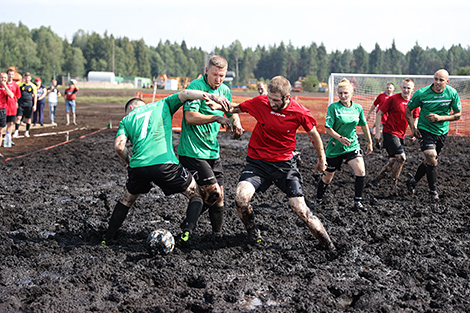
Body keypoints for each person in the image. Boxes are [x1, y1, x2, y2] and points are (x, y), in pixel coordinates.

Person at [209, 76, 335, 253]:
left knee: (299, 208)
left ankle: (329, 245)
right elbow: (236, 107)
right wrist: (218, 105)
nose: (271, 102)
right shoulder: (261, 102)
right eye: (269, 98)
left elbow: (314, 135)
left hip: (284, 165)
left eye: (275, 100)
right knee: (240, 198)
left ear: (287, 97)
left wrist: (322, 159)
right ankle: (253, 232)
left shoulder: (299, 112)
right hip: (258, 163)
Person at [102, 89, 229, 244]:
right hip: (164, 164)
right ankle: (187, 233)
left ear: (130, 108)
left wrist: (129, 162)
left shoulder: (126, 120)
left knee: (127, 199)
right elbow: (185, 93)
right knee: (195, 194)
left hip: (138, 167)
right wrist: (211, 96)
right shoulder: (161, 104)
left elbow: (119, 147)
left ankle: (107, 237)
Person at [177, 55, 243, 242]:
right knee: (213, 192)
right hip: (192, 151)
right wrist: (216, 117)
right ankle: (188, 229)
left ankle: (216, 235)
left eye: (221, 75)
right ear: (207, 71)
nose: (218, 79)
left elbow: (231, 112)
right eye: (215, 74)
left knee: (219, 197)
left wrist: (236, 123)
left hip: (212, 151)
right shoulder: (195, 88)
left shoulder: (225, 91)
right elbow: (189, 117)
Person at [314, 78, 373, 211]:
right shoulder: (333, 108)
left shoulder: (357, 108)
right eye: (340, 93)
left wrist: (370, 142)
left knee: (361, 170)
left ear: (352, 93)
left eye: (346, 93)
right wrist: (340, 138)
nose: (343, 96)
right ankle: (318, 199)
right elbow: (327, 129)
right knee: (328, 178)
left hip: (352, 145)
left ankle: (357, 202)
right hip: (335, 147)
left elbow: (363, 125)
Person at [405, 69, 462, 201]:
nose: (437, 82)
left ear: (447, 81)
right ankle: (433, 192)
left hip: (442, 132)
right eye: (435, 79)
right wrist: (413, 128)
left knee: (430, 161)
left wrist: (440, 118)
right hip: (425, 129)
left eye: (441, 80)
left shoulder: (452, 93)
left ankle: (413, 181)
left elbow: (458, 115)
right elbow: (408, 110)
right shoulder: (422, 93)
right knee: (431, 156)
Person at [368, 79, 418, 187]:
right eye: (404, 87)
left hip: (401, 135)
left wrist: (414, 131)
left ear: (413, 89)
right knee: (401, 158)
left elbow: (415, 117)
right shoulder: (393, 99)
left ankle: (375, 181)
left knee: (392, 162)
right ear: (400, 87)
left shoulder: (414, 102)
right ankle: (393, 184)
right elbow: (379, 113)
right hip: (389, 132)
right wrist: (377, 132)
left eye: (408, 88)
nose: (406, 90)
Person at [367, 82, 395, 148]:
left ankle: (385, 144)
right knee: (379, 132)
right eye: (387, 88)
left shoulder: (394, 97)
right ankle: (378, 142)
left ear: (393, 89)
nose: (389, 89)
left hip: (389, 118)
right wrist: (369, 113)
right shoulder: (381, 96)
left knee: (387, 133)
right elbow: (374, 104)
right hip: (380, 117)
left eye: (390, 88)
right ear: (386, 88)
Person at [13, 72, 37, 138]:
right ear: (24, 78)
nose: (27, 79)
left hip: (29, 104)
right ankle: (16, 131)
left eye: (28, 77)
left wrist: (34, 105)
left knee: (28, 119)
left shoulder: (33, 86)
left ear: (30, 78)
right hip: (21, 103)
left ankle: (27, 131)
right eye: (26, 77)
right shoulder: (20, 84)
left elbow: (35, 96)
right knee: (18, 117)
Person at [4, 69, 21, 147]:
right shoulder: (3, 84)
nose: (10, 76)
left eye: (12, 74)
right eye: (9, 74)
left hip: (12, 107)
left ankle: (8, 139)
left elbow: (17, 96)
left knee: (10, 124)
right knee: (2, 125)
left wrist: (16, 102)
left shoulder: (15, 85)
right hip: (4, 106)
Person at [0, 72, 15, 153]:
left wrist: (5, 85)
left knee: (1, 131)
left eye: (5, 78)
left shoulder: (7, 87)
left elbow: (12, 95)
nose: (3, 79)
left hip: (2, 111)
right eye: (2, 77)